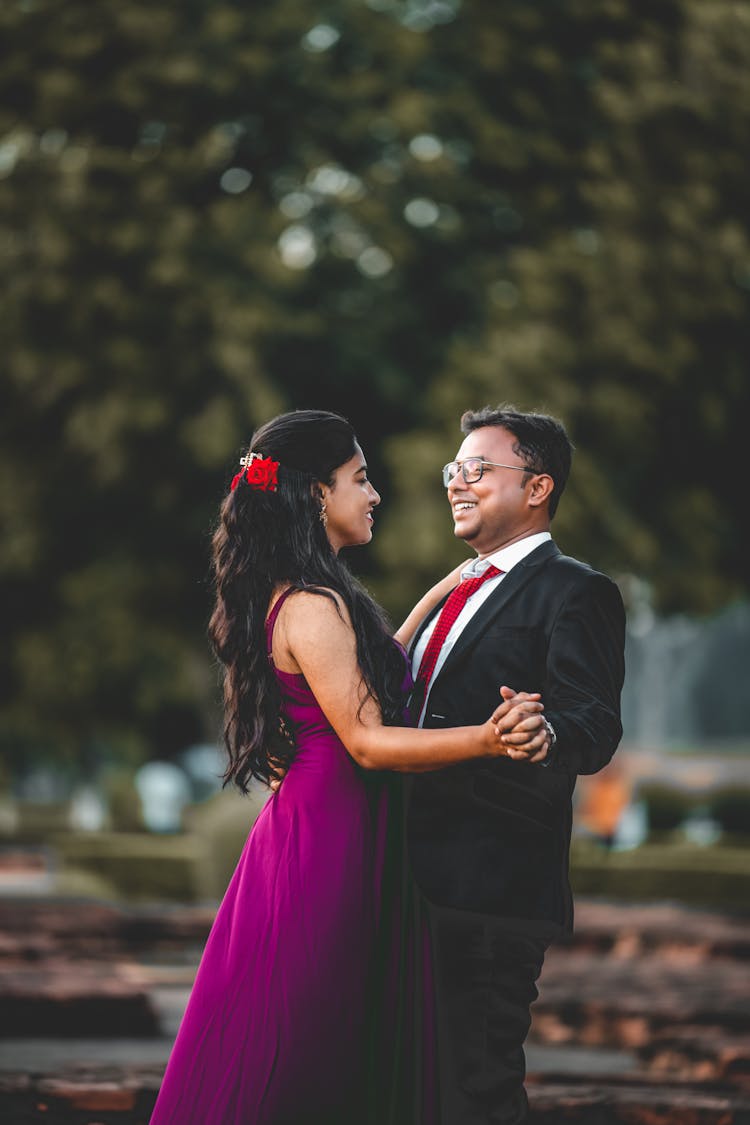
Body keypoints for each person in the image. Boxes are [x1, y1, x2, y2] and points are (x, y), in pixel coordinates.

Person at [149, 409, 539, 1125]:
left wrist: (440, 595)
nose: (375, 494)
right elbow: (366, 738)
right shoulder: (312, 604)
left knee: (329, 1050)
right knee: (311, 1056)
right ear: (319, 496)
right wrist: (490, 738)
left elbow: (363, 675)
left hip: (325, 831)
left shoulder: (302, 597)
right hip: (329, 850)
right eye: (361, 478)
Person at [406, 405, 626, 1124]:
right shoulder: (448, 593)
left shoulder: (576, 590)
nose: (457, 483)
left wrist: (545, 732)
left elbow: (593, 720)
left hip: (487, 891)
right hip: (401, 878)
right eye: (454, 470)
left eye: (478, 469)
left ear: (537, 487)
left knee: (475, 1092)